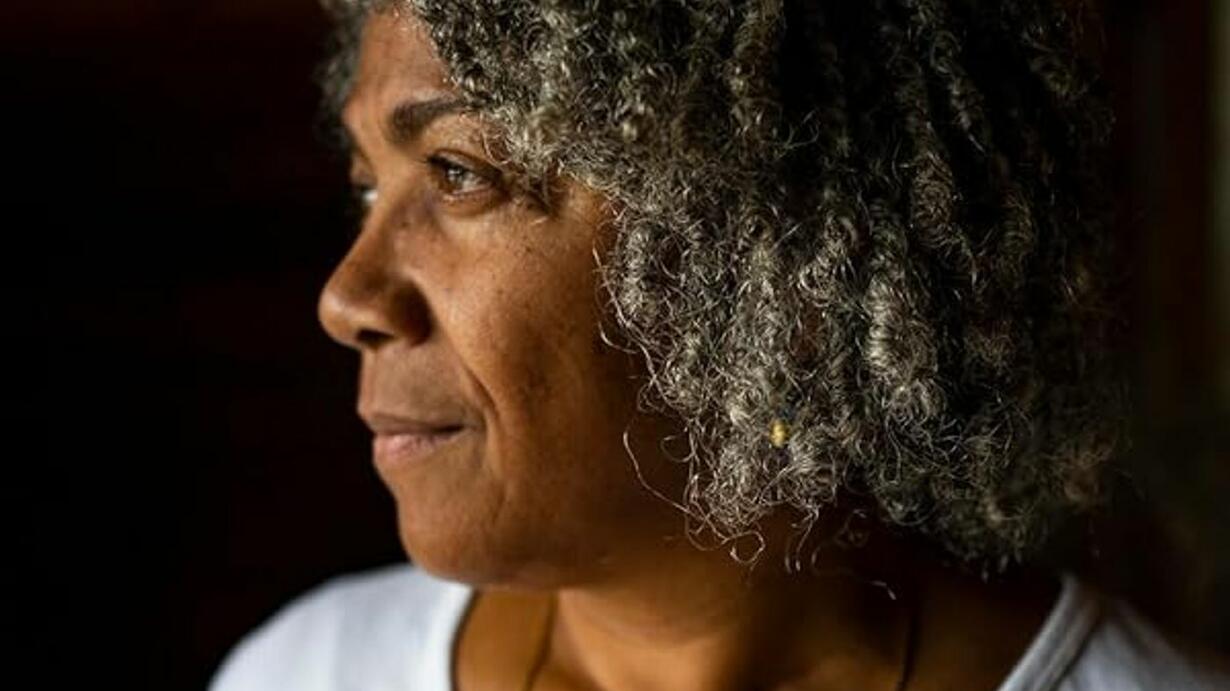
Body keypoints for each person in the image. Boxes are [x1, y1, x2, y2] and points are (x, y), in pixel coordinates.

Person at [211, 1, 1229, 689]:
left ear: (781, 247)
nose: (347, 298)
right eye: (367, 189)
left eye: (458, 171)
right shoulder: (310, 668)